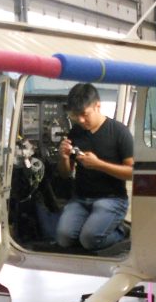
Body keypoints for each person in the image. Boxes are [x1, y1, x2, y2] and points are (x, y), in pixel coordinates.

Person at [56, 83, 134, 250]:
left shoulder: (120, 132)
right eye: (76, 116)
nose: (81, 121)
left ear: (98, 106)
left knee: (89, 240)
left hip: (112, 199)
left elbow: (132, 173)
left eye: (85, 114)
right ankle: (92, 230)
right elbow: (65, 174)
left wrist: (99, 165)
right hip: (81, 199)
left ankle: (121, 232)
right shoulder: (76, 132)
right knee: (64, 238)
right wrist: (63, 158)